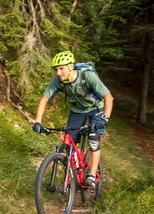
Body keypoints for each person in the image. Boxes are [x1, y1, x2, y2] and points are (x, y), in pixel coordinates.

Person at [32, 50, 114, 191]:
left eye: (61, 68)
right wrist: (37, 122)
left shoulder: (87, 76)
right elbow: (44, 99)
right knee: (69, 141)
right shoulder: (58, 81)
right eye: (56, 69)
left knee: (93, 138)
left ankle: (92, 175)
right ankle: (71, 175)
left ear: (71, 66)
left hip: (96, 109)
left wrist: (104, 119)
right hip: (77, 111)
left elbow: (108, 97)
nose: (58, 73)